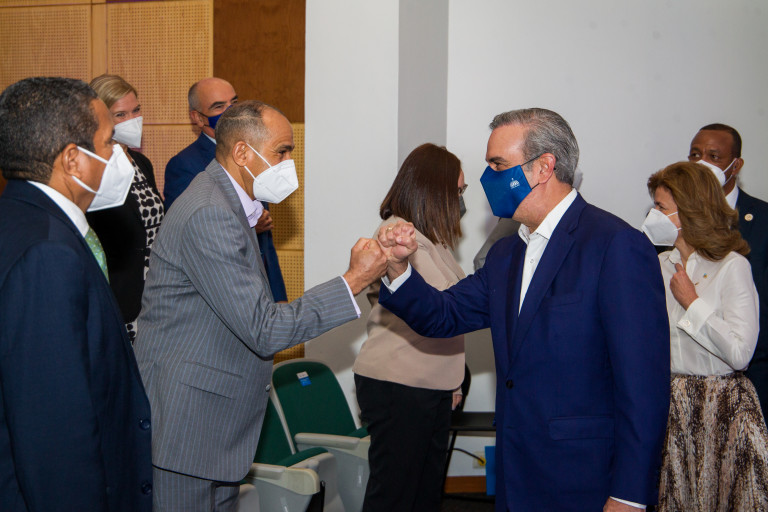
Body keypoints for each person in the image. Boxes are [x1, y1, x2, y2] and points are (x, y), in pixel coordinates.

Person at [376, 108, 670, 511]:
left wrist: (630, 495)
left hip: (584, 478)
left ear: (543, 167)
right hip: (517, 473)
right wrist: (398, 269)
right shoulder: (506, 254)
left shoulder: (614, 245)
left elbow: (643, 386)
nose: (488, 178)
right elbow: (444, 314)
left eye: (499, 165)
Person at [134, 100, 387, 512]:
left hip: (213, 422)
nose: (289, 164)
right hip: (189, 424)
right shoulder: (210, 212)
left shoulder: (230, 205)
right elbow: (264, 328)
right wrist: (354, 280)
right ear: (242, 153)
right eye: (281, 152)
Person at [0, 77, 152, 511]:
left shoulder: (19, 218)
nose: (118, 155)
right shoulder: (48, 254)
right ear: (72, 160)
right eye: (108, 143)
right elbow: (55, 429)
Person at [641, 161, 768, 511]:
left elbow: (740, 353)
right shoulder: (658, 265)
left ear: (689, 212)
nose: (653, 215)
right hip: (673, 406)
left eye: (661, 207)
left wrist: (692, 303)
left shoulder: (732, 266)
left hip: (724, 407)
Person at [353, 143, 466, 512]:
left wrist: (450, 382)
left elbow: (448, 321)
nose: (461, 201)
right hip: (398, 382)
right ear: (434, 190)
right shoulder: (397, 236)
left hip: (428, 381)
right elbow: (439, 303)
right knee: (395, 497)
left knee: (424, 494)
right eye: (458, 191)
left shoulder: (433, 240)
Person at [164, 77, 287, 301]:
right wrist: (249, 225)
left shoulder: (255, 153)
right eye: (219, 106)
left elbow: (265, 243)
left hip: (262, 286)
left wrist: (277, 295)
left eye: (234, 103)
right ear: (197, 118)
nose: (231, 112)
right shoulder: (183, 165)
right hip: (222, 292)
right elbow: (192, 234)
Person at [687, 123, 768, 422]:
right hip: (689, 375)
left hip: (754, 372)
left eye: (714, 156)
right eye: (695, 155)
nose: (702, 164)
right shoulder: (673, 218)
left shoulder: (763, 220)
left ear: (736, 166)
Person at [87, 74, 164, 343]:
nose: (132, 120)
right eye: (121, 114)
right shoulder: (93, 169)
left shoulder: (141, 163)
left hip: (155, 291)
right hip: (119, 296)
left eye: (136, 110)